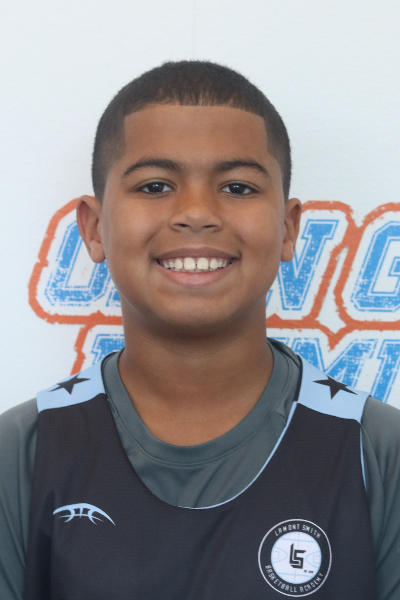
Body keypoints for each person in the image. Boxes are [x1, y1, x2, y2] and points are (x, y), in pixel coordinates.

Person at [0, 61, 399, 600]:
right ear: (94, 228)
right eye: (155, 185)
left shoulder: (378, 452)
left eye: (237, 187)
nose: (196, 213)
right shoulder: (22, 452)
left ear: (288, 228)